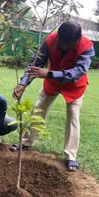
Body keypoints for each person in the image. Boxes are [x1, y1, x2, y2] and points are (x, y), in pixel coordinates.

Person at [12, 21, 95, 172]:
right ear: (58, 36)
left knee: (73, 117)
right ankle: (26, 141)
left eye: (67, 44)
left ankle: (71, 156)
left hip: (74, 86)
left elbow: (78, 72)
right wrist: (23, 83)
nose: (63, 47)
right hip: (52, 83)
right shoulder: (51, 39)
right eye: (61, 42)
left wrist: (49, 73)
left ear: (78, 39)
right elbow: (36, 62)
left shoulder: (87, 47)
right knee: (39, 109)